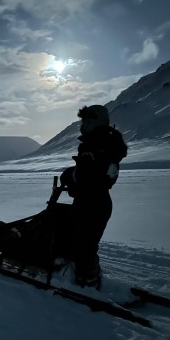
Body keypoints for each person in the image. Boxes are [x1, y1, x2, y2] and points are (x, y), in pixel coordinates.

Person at [64, 105, 127, 288]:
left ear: (94, 121)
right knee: (85, 243)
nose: (82, 124)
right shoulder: (106, 144)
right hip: (96, 201)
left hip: (91, 202)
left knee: (84, 245)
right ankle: (87, 276)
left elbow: (88, 177)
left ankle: (87, 284)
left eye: (85, 120)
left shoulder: (97, 145)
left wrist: (70, 176)